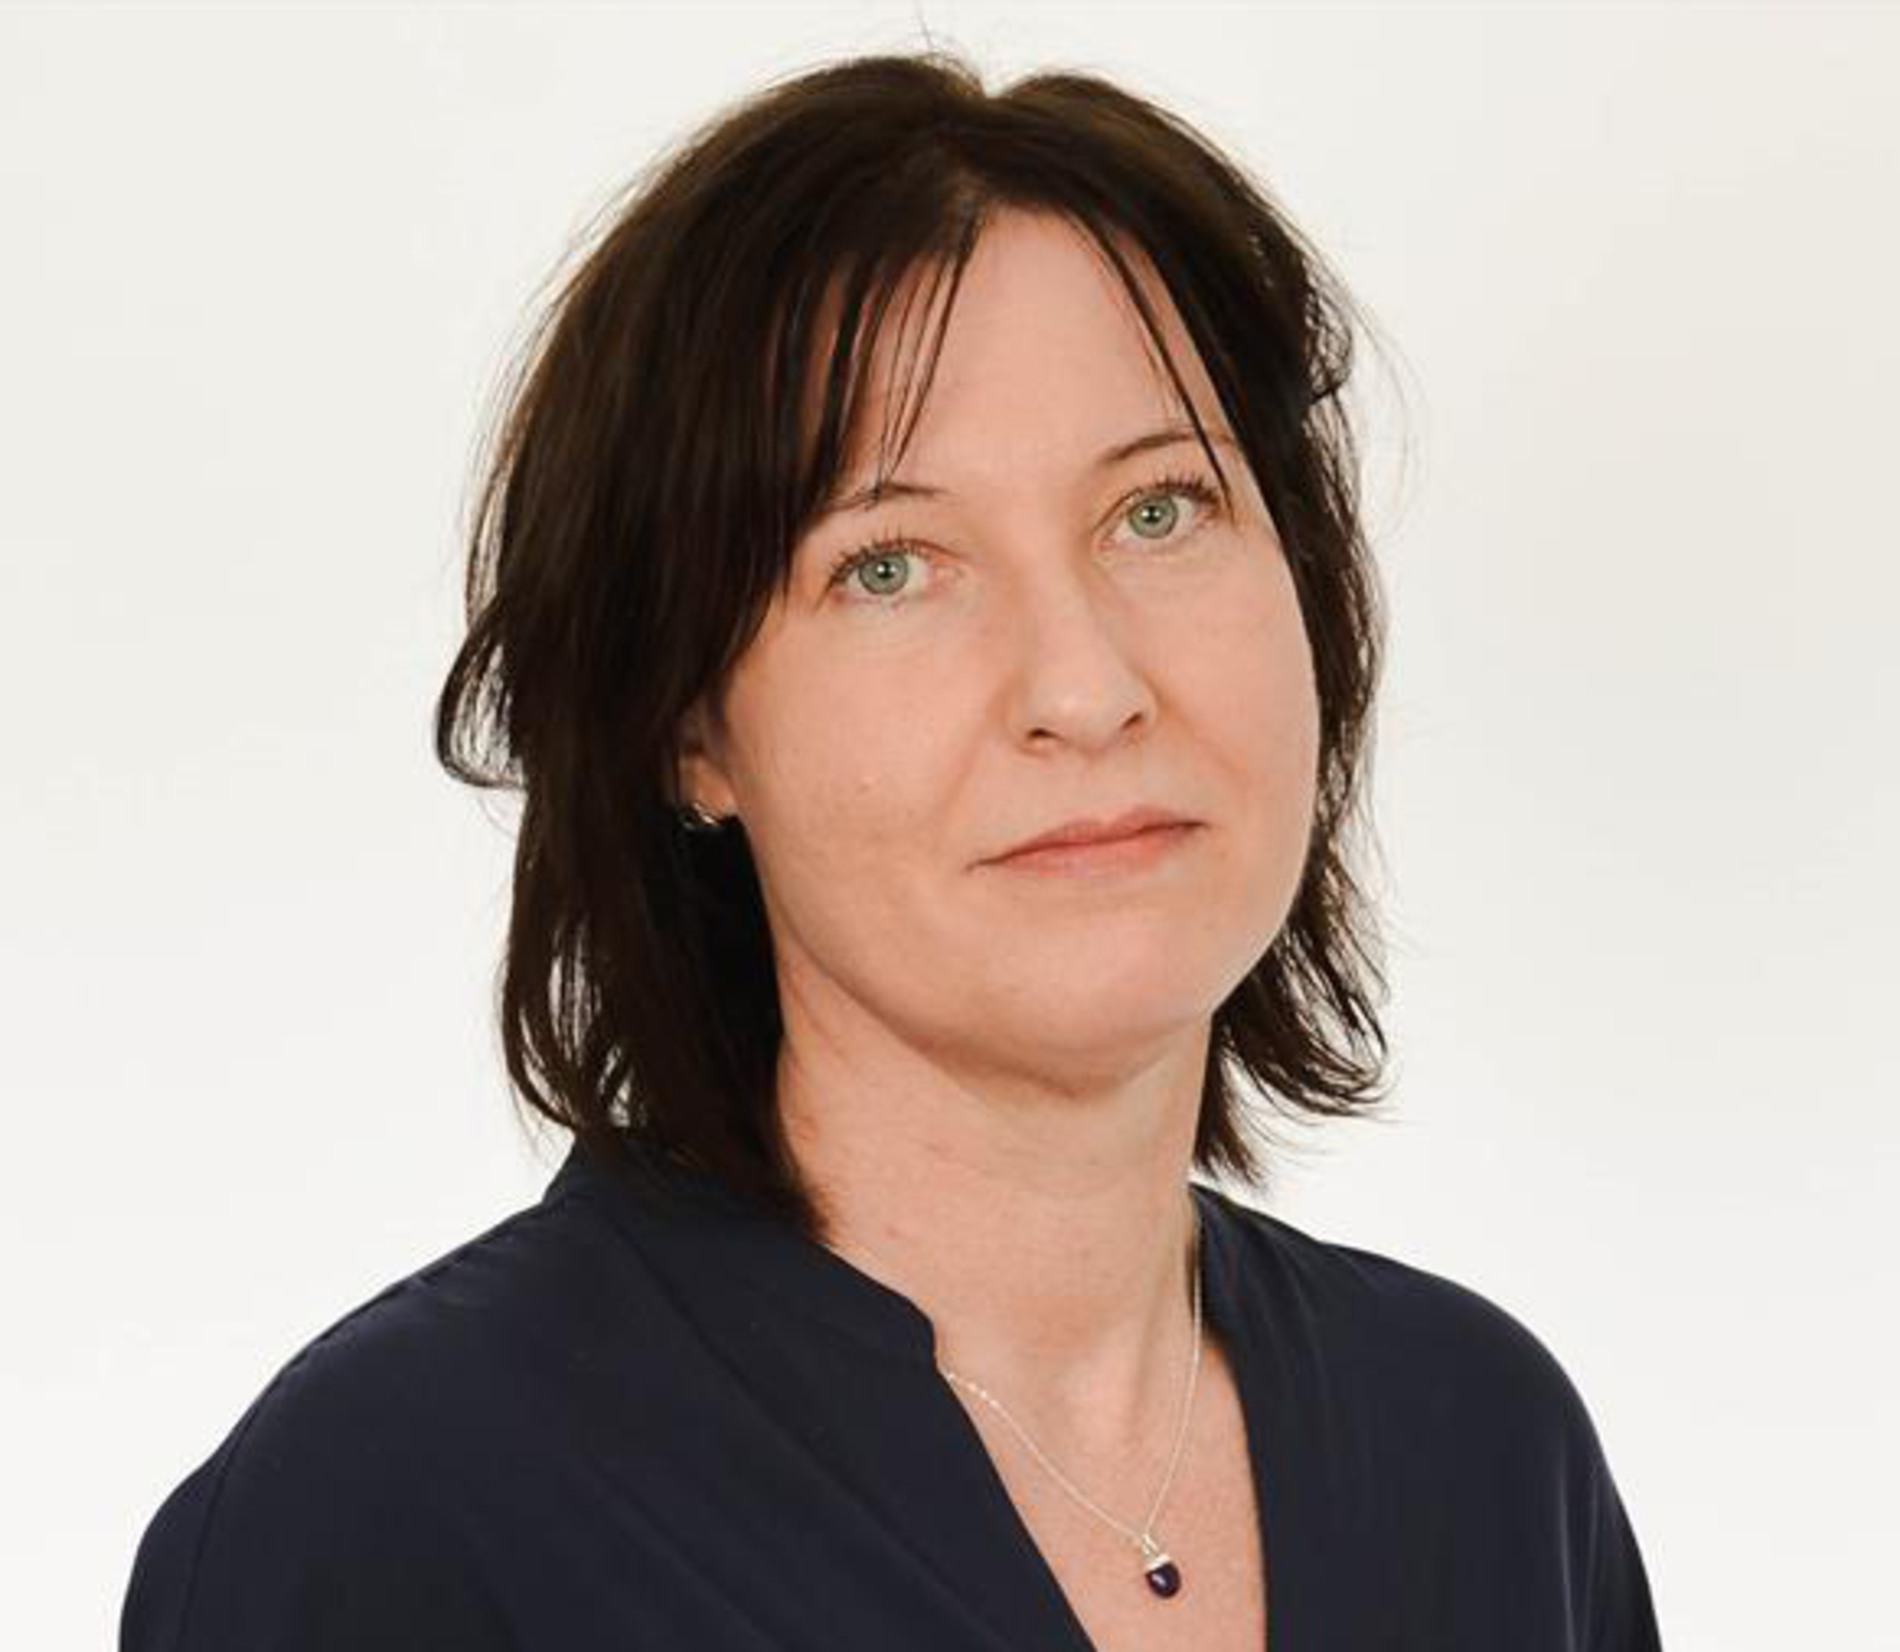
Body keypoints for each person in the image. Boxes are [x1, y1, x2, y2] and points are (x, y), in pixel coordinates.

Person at [119, 47, 1663, 1652]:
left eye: (1158, 511)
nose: (1085, 687)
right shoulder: (399, 1513)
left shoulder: (1484, 1451)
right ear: (687, 724)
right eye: (890, 565)